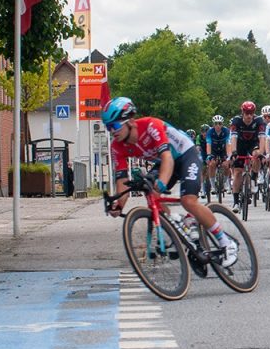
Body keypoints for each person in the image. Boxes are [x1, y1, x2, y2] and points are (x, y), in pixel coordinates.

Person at [102, 97, 237, 267]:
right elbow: (122, 179)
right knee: (150, 192)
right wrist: (119, 204)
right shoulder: (117, 147)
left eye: (114, 126)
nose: (112, 131)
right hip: (164, 162)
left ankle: (226, 244)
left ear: (129, 120)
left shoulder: (151, 125)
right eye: (108, 127)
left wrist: (161, 184)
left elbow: (168, 158)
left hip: (185, 154)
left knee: (188, 200)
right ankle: (179, 224)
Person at [228, 101, 267, 213]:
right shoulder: (236, 121)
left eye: (251, 113)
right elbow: (233, 138)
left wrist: (262, 152)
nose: (249, 115)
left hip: (253, 143)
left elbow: (262, 138)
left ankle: (254, 178)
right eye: (247, 113)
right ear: (242, 112)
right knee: (238, 172)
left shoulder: (259, 121)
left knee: (256, 154)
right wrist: (234, 152)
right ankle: (236, 202)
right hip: (240, 145)